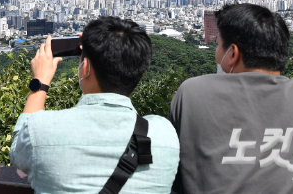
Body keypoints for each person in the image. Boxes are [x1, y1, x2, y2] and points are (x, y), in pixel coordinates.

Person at [169, 3, 293, 194]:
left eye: (218, 45)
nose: (216, 54)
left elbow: (172, 180)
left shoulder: (194, 93)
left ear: (233, 53)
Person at [10, 16, 180, 194]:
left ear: (86, 68)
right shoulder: (165, 135)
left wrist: (40, 83)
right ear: (140, 73)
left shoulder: (41, 130)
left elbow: (17, 149)